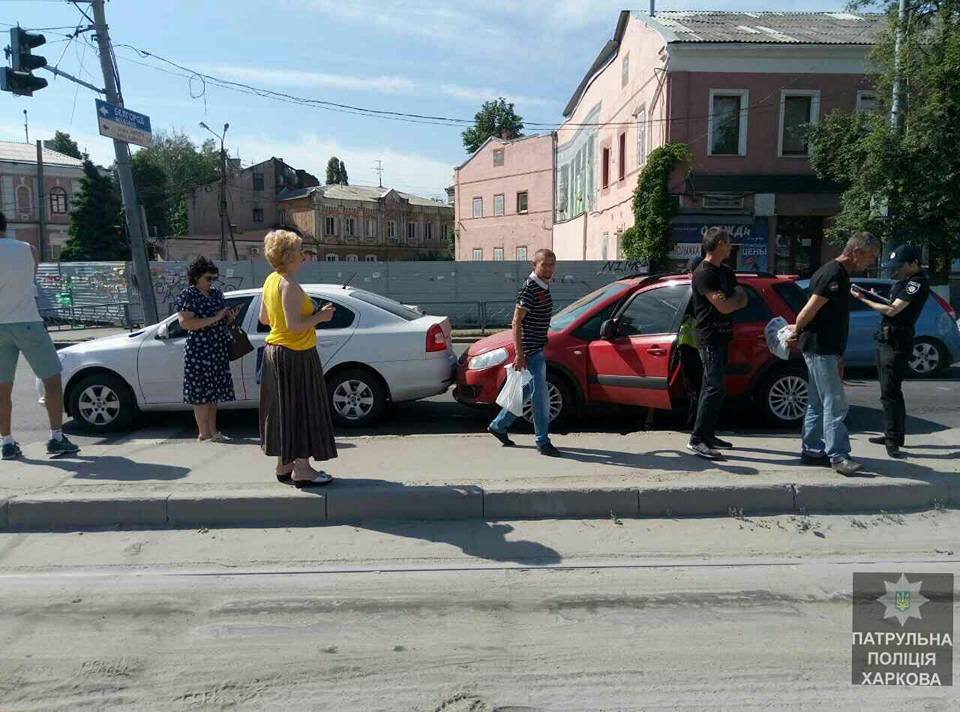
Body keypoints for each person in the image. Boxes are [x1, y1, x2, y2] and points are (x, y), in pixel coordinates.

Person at [788, 231, 880, 476]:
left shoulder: (837, 273)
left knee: (817, 403)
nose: (870, 261)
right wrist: (795, 330)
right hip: (821, 348)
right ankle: (838, 456)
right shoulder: (833, 274)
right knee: (835, 403)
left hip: (821, 348)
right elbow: (809, 310)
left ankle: (811, 451)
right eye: (870, 256)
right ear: (856, 252)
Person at [258, 229, 338, 487]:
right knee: (303, 410)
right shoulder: (289, 284)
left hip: (276, 351)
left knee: (284, 410)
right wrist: (320, 317)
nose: (304, 255)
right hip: (296, 354)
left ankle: (285, 465)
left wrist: (302, 316)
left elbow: (264, 319)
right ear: (290, 255)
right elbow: (294, 326)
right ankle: (302, 470)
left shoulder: (271, 280)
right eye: (300, 250)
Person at [0, 212, 81, 460]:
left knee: (3, 389)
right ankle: (56, 437)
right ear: (5, 226)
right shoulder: (28, 249)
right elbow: (30, 277)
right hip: (27, 321)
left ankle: (7, 442)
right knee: (51, 381)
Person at [852, 245, 929, 458]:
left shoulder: (916, 283)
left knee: (891, 392)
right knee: (888, 391)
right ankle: (892, 433)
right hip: (886, 338)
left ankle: (893, 440)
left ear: (913, 263)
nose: (897, 269)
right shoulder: (904, 282)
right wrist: (873, 296)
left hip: (896, 341)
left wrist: (863, 299)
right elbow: (890, 303)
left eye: (901, 265)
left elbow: (893, 310)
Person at [488, 248, 563, 457]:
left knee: (526, 393)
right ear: (534, 265)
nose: (548, 268)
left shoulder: (543, 286)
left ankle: (498, 425)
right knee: (541, 398)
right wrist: (519, 354)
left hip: (537, 348)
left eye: (551, 264)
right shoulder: (530, 288)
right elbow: (516, 322)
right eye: (544, 264)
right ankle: (542, 441)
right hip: (530, 351)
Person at [688, 229, 747, 459]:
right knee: (713, 387)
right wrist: (733, 301)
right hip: (708, 336)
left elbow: (743, 297)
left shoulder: (726, 271)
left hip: (723, 335)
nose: (732, 247)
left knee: (717, 388)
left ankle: (709, 434)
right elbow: (724, 306)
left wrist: (732, 301)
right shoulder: (703, 273)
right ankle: (697, 438)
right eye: (729, 243)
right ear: (720, 244)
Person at [175, 257, 238, 442]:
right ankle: (204, 433)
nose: (212, 282)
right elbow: (186, 323)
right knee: (201, 393)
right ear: (196, 277)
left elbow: (221, 319)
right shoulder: (189, 295)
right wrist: (215, 318)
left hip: (217, 348)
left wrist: (229, 318)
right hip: (199, 350)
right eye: (208, 278)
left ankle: (213, 431)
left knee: (214, 393)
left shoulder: (217, 294)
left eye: (214, 278)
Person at [678, 255, 704, 430]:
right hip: (692, 344)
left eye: (690, 271)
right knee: (697, 388)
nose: (688, 275)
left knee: (696, 388)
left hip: (692, 345)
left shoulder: (694, 291)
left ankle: (694, 425)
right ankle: (695, 423)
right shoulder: (697, 289)